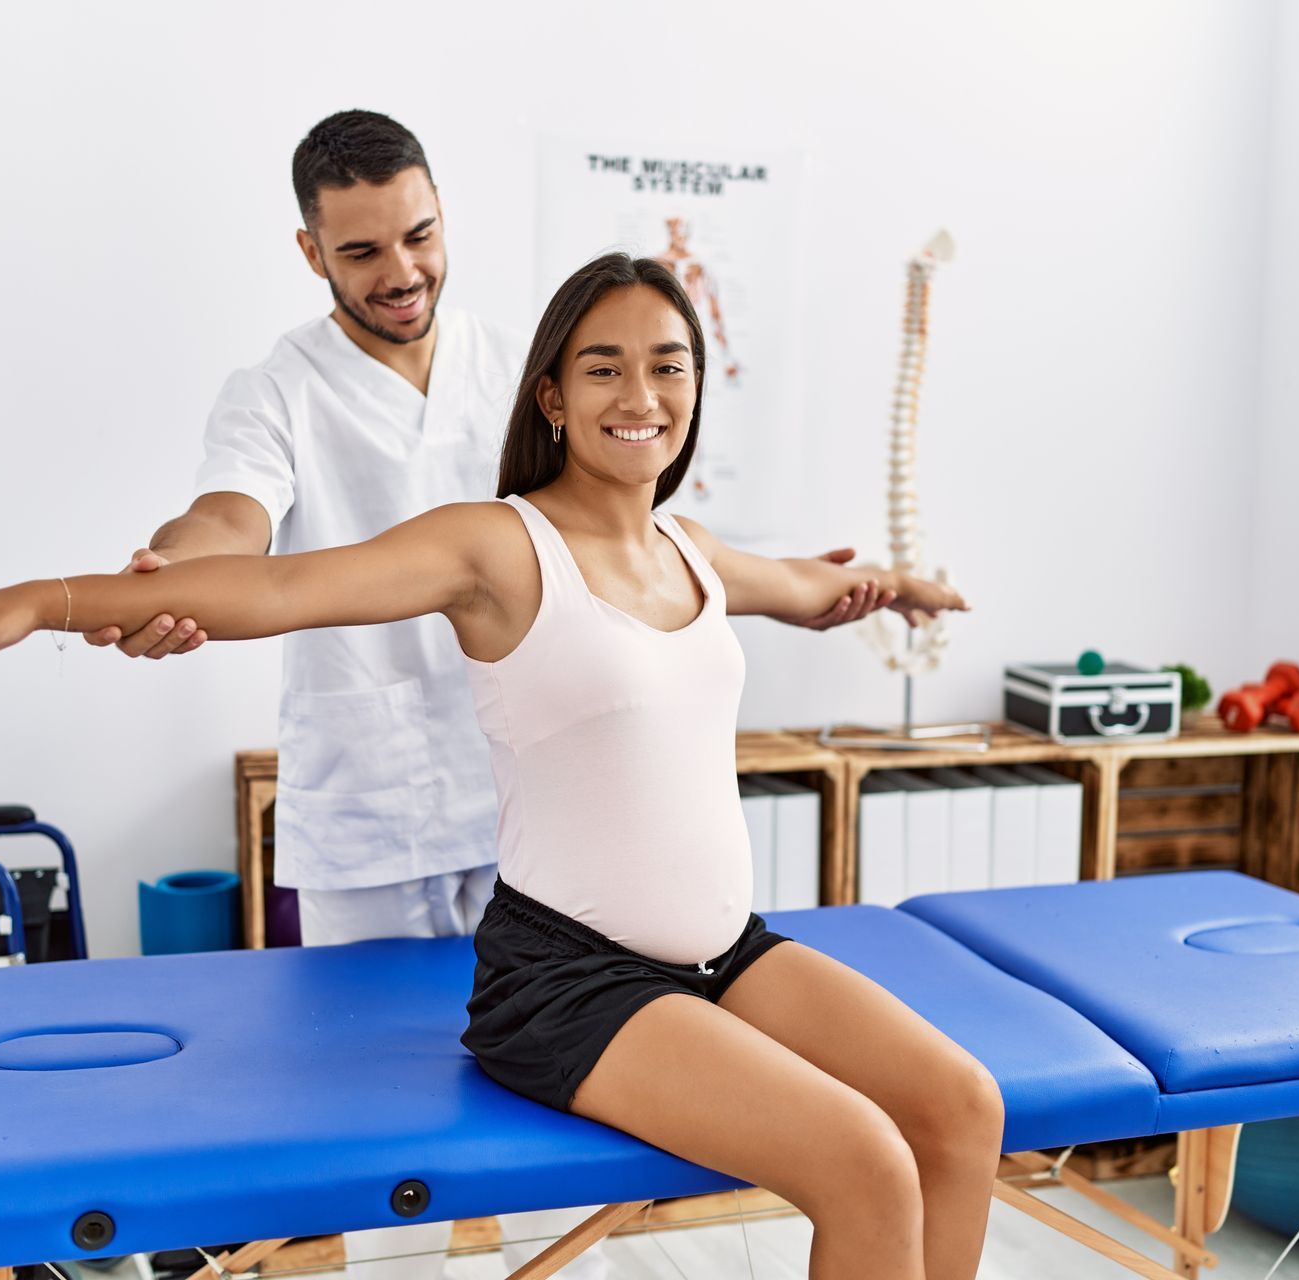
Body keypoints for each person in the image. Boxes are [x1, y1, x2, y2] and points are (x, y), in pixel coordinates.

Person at [0, 253, 1002, 1280]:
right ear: (551, 393)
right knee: (864, 1161)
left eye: (667, 364)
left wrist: (888, 588)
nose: (639, 394)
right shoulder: (497, 543)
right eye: (602, 367)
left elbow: (800, 587)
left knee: (960, 1106)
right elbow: (282, 587)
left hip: (724, 951)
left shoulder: (687, 549)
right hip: (575, 983)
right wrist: (37, 602)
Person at [65, 109, 890, 1279]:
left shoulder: (531, 364)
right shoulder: (277, 391)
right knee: (389, 1157)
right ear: (311, 253)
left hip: (544, 814)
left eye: (420, 235)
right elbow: (234, 524)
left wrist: (867, 585)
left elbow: (693, 550)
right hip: (372, 811)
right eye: (361, 252)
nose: (401, 272)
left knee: (570, 1159)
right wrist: (168, 569)